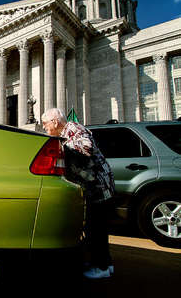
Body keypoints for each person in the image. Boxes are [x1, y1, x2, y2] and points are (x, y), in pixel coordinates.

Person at [41, 108, 115, 279]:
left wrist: (60, 149)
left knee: (94, 228)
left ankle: (101, 267)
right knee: (98, 228)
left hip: (98, 187)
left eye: (45, 124)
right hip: (97, 186)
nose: (44, 127)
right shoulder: (69, 131)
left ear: (55, 122)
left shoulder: (73, 129)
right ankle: (106, 264)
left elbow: (86, 148)